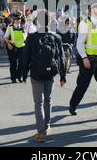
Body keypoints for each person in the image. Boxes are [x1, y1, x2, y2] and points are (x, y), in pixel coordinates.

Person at [23, 10, 66, 143]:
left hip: (36, 73)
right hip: (50, 73)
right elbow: (61, 57)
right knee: (48, 100)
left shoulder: (31, 37)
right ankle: (47, 125)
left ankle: (41, 132)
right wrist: (63, 75)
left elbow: (25, 57)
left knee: (38, 103)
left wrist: (24, 74)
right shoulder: (56, 37)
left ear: (37, 22)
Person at [69, 1, 97, 121]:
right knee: (83, 85)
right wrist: (84, 58)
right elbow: (79, 43)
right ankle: (73, 104)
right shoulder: (85, 23)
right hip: (89, 59)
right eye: (95, 8)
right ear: (89, 10)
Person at [4, 12, 27, 83]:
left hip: (22, 47)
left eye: (19, 19)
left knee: (21, 63)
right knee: (13, 63)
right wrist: (8, 43)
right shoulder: (10, 26)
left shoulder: (23, 27)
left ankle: (19, 76)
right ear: (14, 20)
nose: (18, 20)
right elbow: (6, 37)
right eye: (16, 19)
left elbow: (26, 37)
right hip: (13, 47)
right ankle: (13, 78)